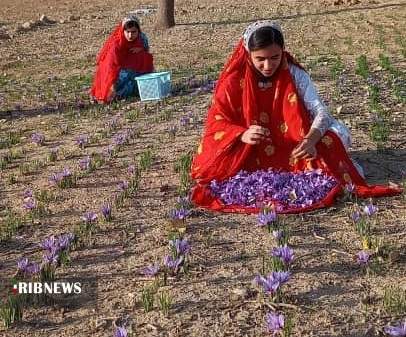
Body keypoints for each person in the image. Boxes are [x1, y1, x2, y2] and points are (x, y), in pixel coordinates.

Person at [190, 20, 402, 214]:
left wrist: (311, 140)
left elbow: (321, 112)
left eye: (275, 57)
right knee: (218, 164)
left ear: (283, 52)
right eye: (260, 59)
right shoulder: (233, 81)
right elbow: (216, 124)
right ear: (248, 55)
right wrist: (242, 134)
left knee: (338, 133)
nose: (268, 66)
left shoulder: (294, 74)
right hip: (252, 148)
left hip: (294, 144)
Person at [90, 15, 154, 103]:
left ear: (138, 31)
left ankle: (119, 95)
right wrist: (113, 87)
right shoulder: (116, 44)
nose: (130, 35)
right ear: (123, 30)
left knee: (142, 76)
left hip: (132, 69)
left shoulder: (141, 39)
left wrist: (141, 49)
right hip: (114, 72)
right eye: (127, 32)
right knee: (127, 75)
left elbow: (146, 55)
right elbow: (110, 67)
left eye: (133, 32)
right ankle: (111, 94)